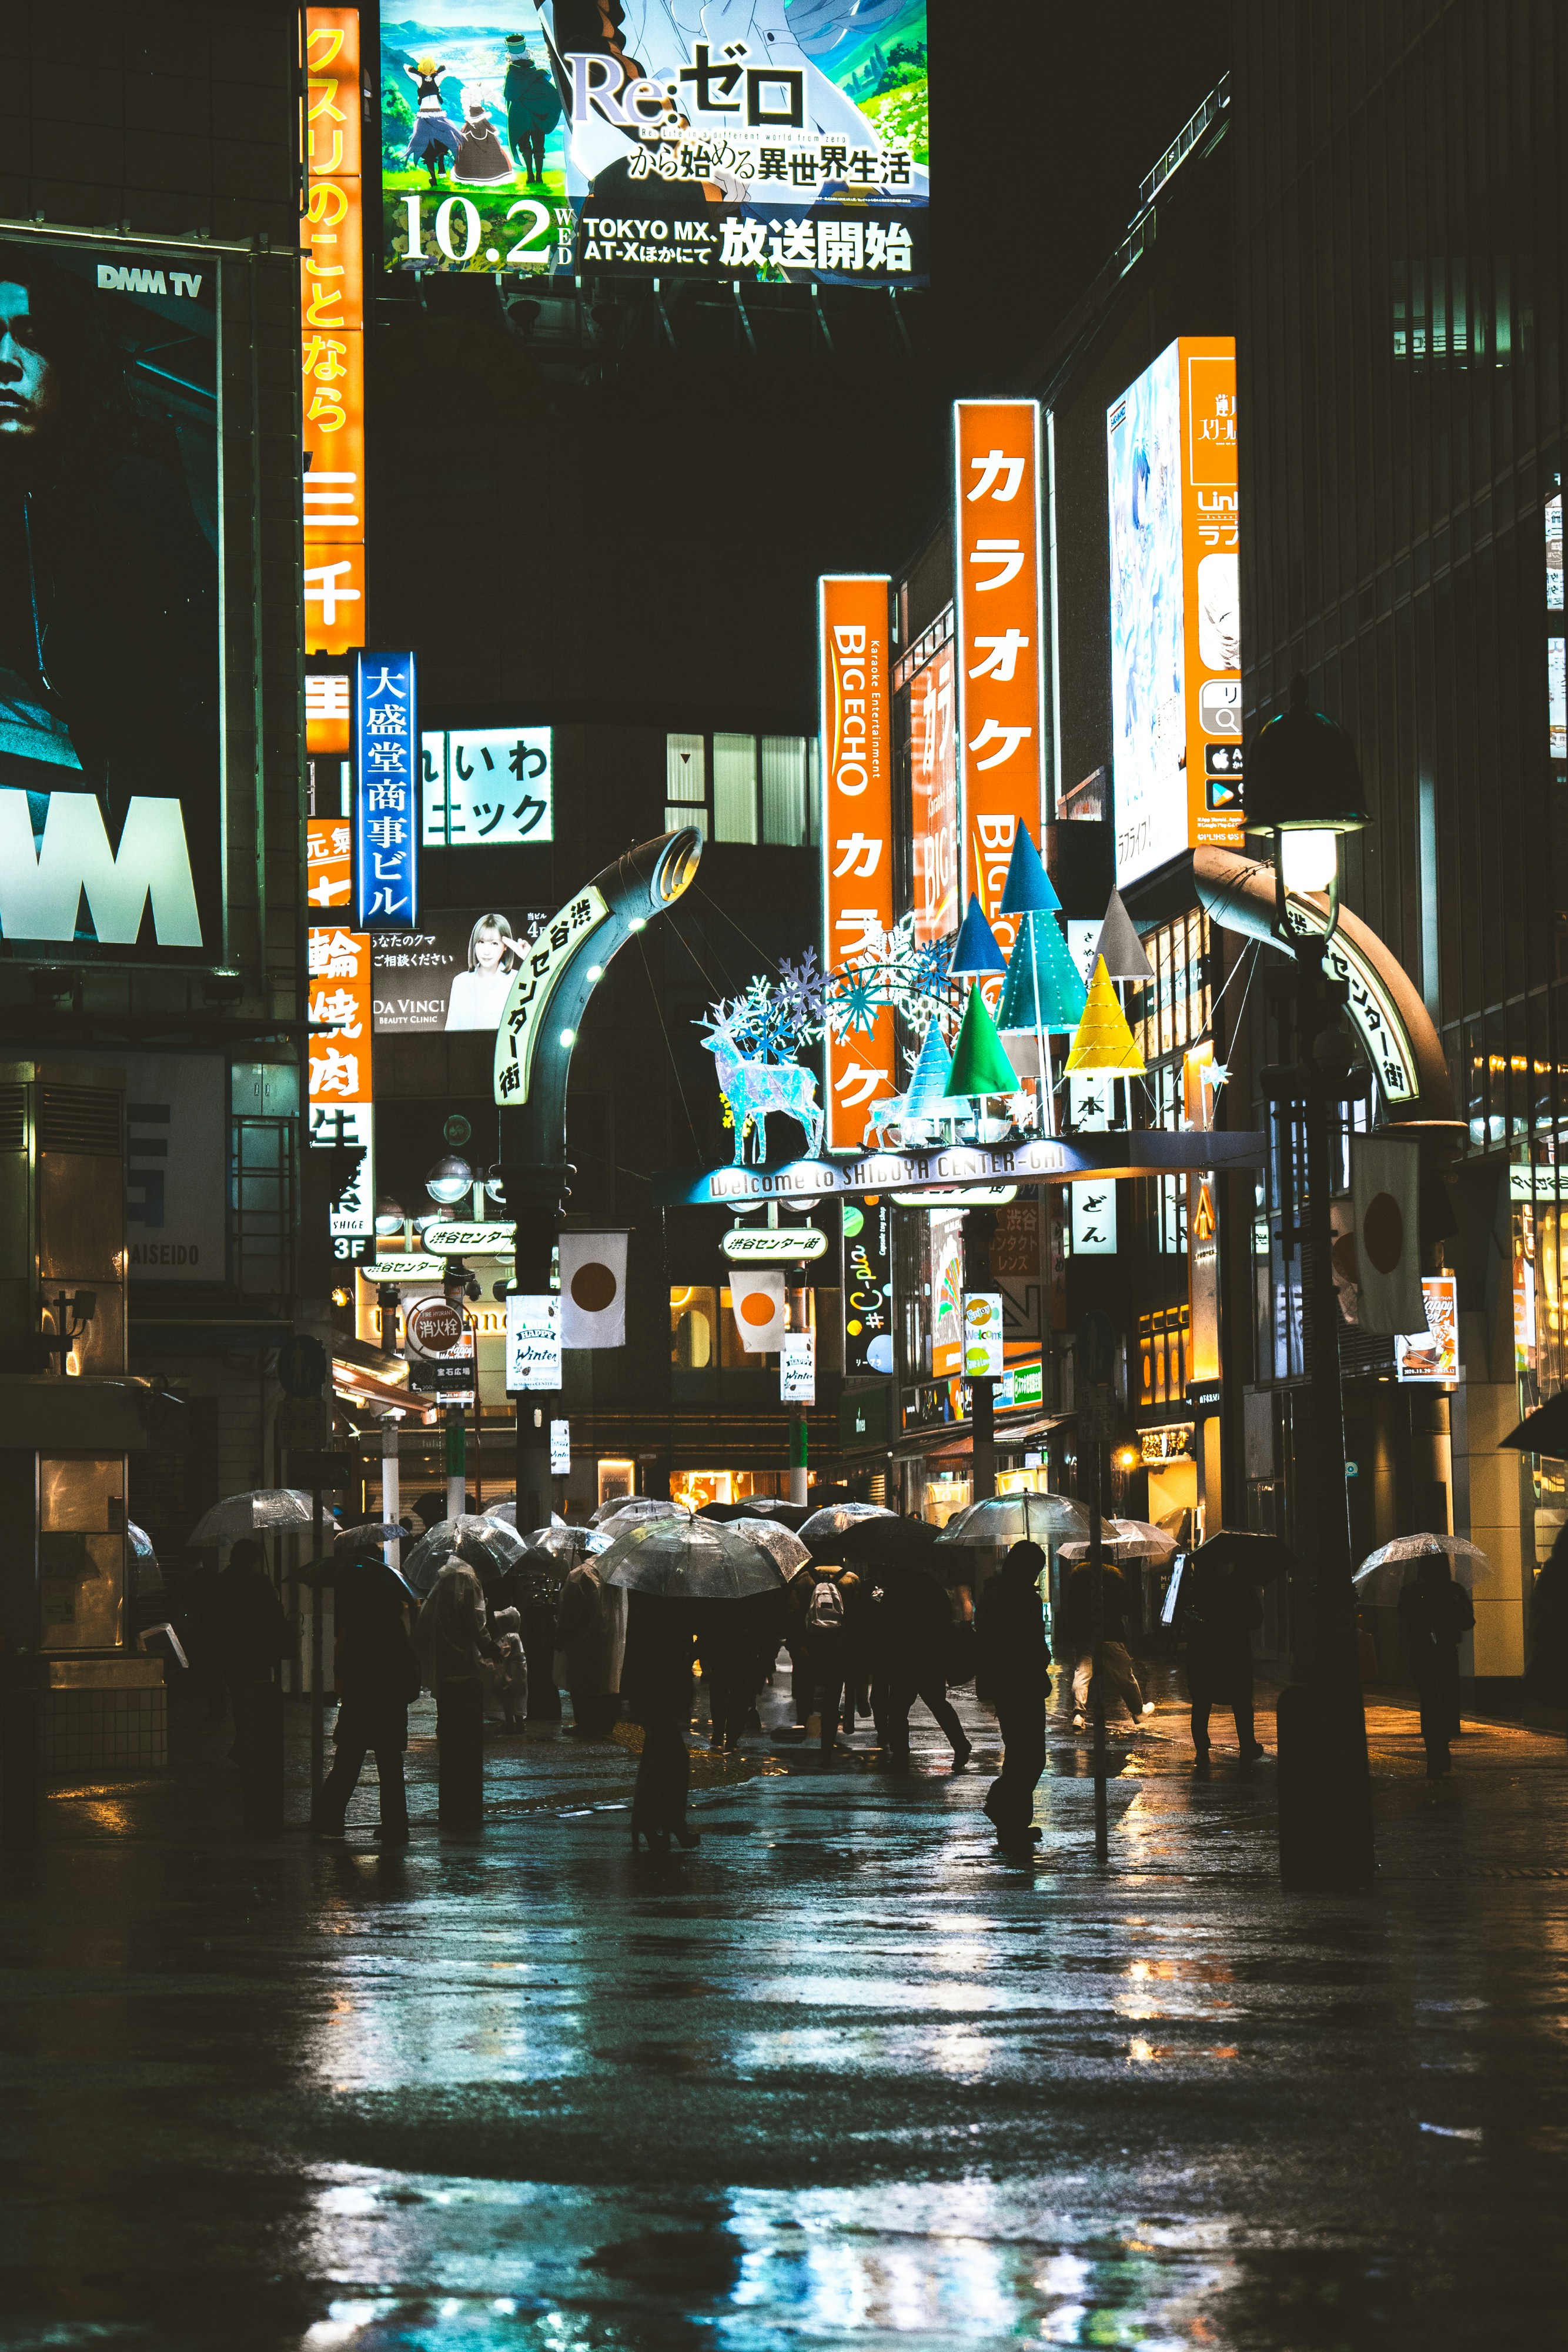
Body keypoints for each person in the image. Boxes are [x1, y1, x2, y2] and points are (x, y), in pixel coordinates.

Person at [313, 1566, 422, 1843]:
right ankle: (396, 1825)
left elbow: (343, 1667)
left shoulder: (358, 1625)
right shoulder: (395, 1626)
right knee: (390, 1765)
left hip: (361, 1703)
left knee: (348, 1762)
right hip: (389, 1706)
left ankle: (330, 1818)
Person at [974, 1541, 1052, 1851]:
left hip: (1028, 1682)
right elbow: (993, 1642)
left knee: (1028, 1755)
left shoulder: (1026, 1598)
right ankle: (1003, 1808)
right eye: (1033, 1569)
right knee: (1025, 1754)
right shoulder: (998, 1597)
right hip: (1011, 1684)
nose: (1035, 1576)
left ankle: (1015, 1820)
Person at [867, 1561, 971, 1773]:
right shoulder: (930, 1585)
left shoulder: (895, 1591)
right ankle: (960, 1744)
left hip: (904, 1657)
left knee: (898, 1708)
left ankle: (900, 1753)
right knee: (937, 1704)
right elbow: (945, 1616)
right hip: (930, 1656)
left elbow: (886, 1623)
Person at [622, 1588, 700, 1851]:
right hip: (653, 1692)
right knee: (673, 1758)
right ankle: (672, 1821)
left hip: (652, 1692)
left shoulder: (650, 1604)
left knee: (655, 1760)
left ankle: (646, 1821)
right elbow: (658, 1651)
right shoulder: (654, 1608)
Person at [210, 1538, 294, 1761]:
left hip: (230, 1651)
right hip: (258, 1652)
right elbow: (275, 1616)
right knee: (260, 1697)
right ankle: (254, 1743)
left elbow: (213, 1619)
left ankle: (243, 1741)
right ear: (253, 1560)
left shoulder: (221, 1581)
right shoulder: (260, 1582)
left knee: (239, 1698)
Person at [1179, 1561, 1264, 1766]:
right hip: (1234, 1650)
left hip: (1204, 1650)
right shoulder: (1241, 1586)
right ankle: (1247, 1746)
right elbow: (1256, 1619)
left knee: (1202, 1700)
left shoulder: (1198, 1585)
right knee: (1241, 1700)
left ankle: (1202, 1748)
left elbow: (1187, 1614)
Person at [1398, 1556, 1475, 1776]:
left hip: (1446, 1651)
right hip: (1423, 1651)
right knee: (1430, 1699)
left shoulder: (1453, 1591)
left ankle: (1442, 1742)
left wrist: (1451, 1604)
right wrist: (1423, 1603)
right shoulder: (1414, 1590)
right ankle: (1435, 1749)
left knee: (1448, 1699)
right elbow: (1404, 1614)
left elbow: (1468, 1621)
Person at [1059, 1556, 1153, 1732]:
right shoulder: (1114, 1578)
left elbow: (1071, 1610)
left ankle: (1079, 1714)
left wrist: (1073, 1636)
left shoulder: (1078, 1580)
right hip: (1111, 1634)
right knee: (1124, 1676)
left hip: (1085, 1635)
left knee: (1082, 1674)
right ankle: (1138, 1711)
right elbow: (1126, 1608)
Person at [554, 1558, 620, 1736]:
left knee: (582, 1677)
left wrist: (561, 1633)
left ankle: (586, 1723)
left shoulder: (579, 1575)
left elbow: (570, 1610)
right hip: (609, 1638)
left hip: (583, 1638)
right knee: (605, 1678)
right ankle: (605, 1722)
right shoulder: (615, 1573)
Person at [444, 913, 522, 1031]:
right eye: (481, 942)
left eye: (494, 943)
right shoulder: (461, 982)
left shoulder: (516, 980)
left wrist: (529, 956)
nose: (486, 951)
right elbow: (451, 1030)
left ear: (505, 946)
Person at [503, 38, 563, 183]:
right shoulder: (535, 73)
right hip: (538, 117)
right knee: (539, 148)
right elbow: (551, 93)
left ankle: (530, 176)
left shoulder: (512, 74)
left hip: (520, 118)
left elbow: (509, 94)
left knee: (525, 147)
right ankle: (539, 177)